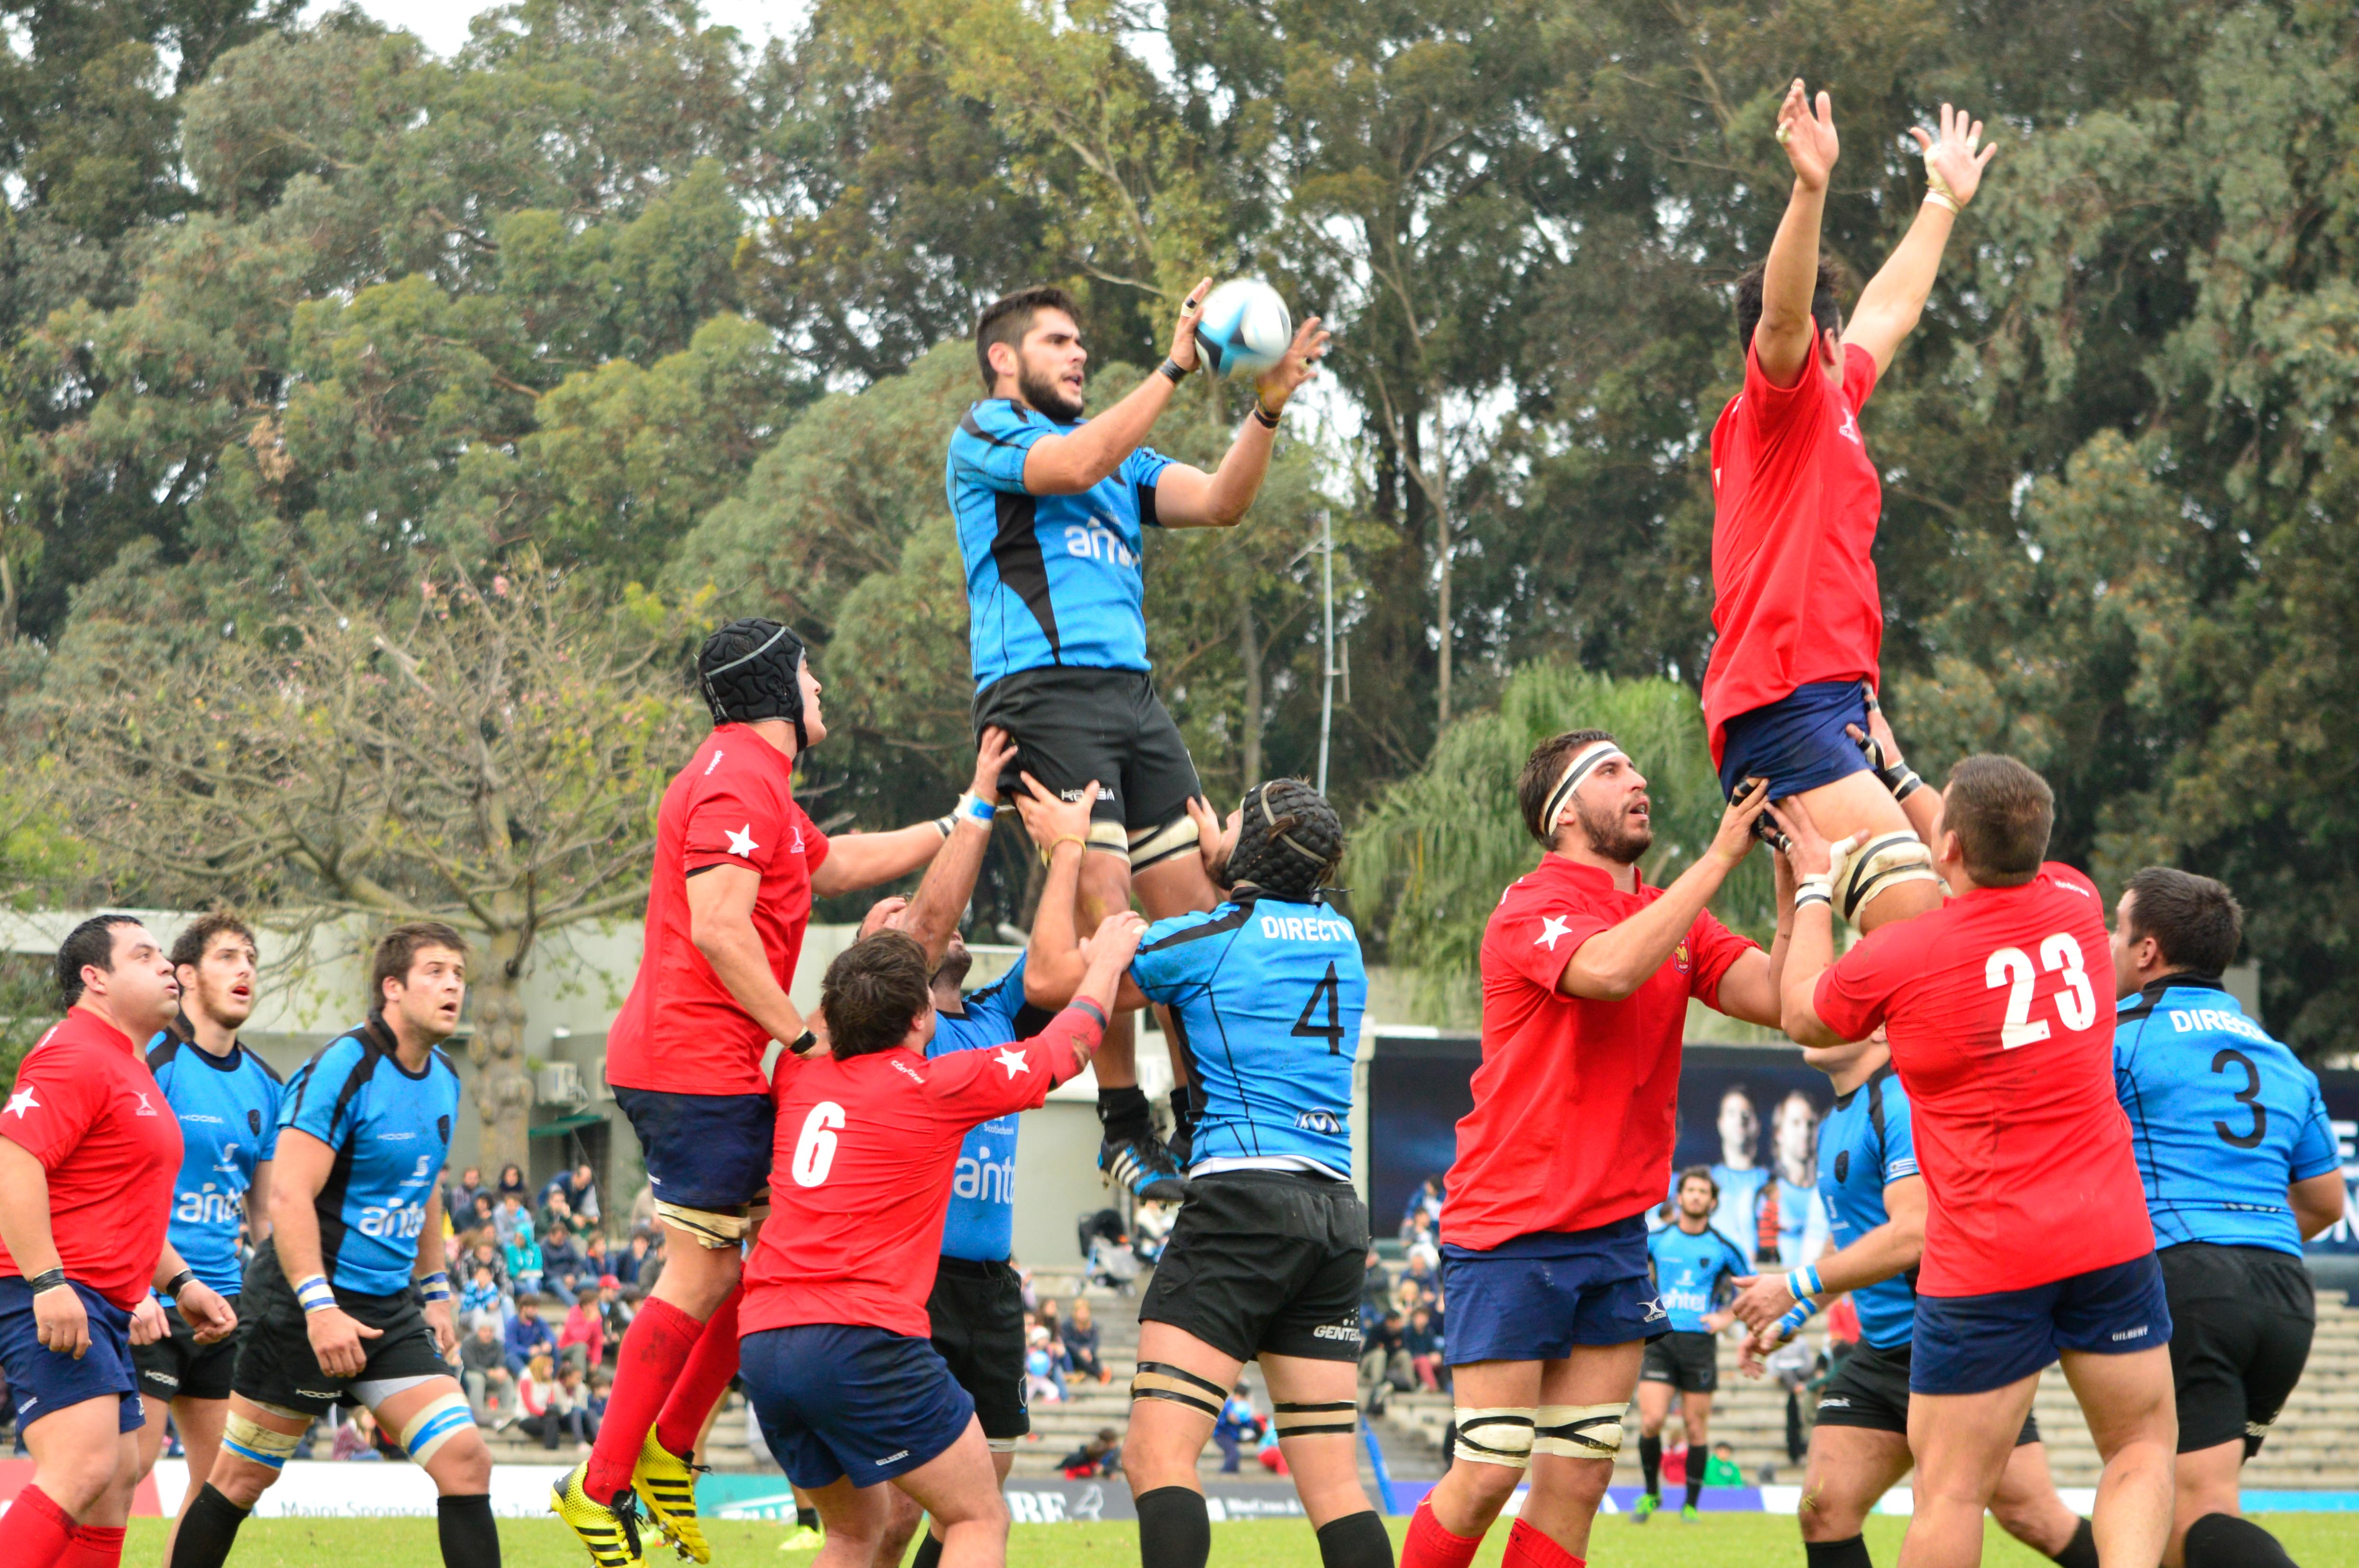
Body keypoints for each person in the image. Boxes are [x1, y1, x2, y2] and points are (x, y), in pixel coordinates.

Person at [561, 617, 961, 1568]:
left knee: (768, 1265)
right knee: (707, 1273)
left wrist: (959, 821)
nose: (820, 687)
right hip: (693, 1062)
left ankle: (663, 1452)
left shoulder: (760, 780)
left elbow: (836, 864)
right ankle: (601, 1486)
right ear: (780, 686)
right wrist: (800, 1030)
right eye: (809, 673)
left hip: (712, 1063)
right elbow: (717, 925)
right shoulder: (736, 776)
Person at [948, 282, 1330, 1200]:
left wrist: (1265, 408)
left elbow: (1219, 502)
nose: (1078, 355)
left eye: (1082, 343)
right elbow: (1075, 464)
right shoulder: (989, 435)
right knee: (1109, 899)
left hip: (1132, 698)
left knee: (1200, 905)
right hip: (1042, 693)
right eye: (1057, 342)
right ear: (1006, 360)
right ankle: (1122, 1121)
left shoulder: (1124, 457)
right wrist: (1173, 366)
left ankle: (1204, 1119)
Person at [1401, 732, 1792, 1568]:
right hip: (1510, 1224)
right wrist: (1718, 859)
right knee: (1488, 1467)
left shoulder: (1670, 912)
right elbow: (1609, 970)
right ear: (1565, 812)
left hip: (1613, 1234)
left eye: (1634, 767)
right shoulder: (1530, 905)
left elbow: (1786, 999)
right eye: (1612, 771)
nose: (1638, 778)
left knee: (1578, 1482)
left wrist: (1793, 873)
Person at [1776, 756, 2174, 1568]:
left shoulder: (1904, 955)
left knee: (1951, 1492)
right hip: (2106, 1232)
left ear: (1946, 846)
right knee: (2137, 1446)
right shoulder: (2072, 898)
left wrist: (1815, 885)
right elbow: (1989, 841)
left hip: (1987, 1256)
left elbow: (1799, 1010)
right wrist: (1897, 773)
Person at [1022, 775, 1393, 1568]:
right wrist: (1232, 852)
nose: (1209, 827)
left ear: (1249, 850)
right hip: (1333, 1214)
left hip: (1242, 1209)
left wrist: (1078, 871)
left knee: (1157, 1456)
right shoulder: (1341, 937)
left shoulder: (1207, 938)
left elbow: (1048, 979)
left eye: (1225, 822)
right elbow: (1260, 906)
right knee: (1333, 1485)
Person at [735, 915, 1142, 1568]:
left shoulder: (796, 1072)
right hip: (860, 1336)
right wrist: (1108, 958)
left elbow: (830, 1010)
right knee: (978, 1515)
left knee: (851, 1533)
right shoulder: (933, 1086)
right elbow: (1064, 1048)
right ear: (922, 1019)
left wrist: (864, 956)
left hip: (765, 1341)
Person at [1704, 82, 2000, 933]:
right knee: (1925, 929)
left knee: (1856, 977)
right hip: (1782, 699)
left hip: (1828, 701)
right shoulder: (1778, 404)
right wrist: (1808, 189)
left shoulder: (1833, 399)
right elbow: (1783, 314)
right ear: (1817, 346)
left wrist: (1941, 198)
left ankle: (1843, 1058)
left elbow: (1892, 308)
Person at [170, 921, 496, 1568]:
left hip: (386, 1308)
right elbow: (287, 1196)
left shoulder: (446, 1076)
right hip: (300, 1304)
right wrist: (319, 1309)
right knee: (241, 1480)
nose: (452, 984)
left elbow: (423, 1186)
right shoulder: (342, 1067)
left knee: (465, 1460)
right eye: (435, 970)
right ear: (392, 988)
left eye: (458, 973)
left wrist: (436, 1294)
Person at [1724, 1032, 2099, 1568]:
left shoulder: (1903, 1101)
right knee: (1822, 1507)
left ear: (1878, 1029)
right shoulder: (1836, 1120)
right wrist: (1797, 1309)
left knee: (2033, 1517)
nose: (1809, 1022)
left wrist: (1792, 1284)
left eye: (1834, 1012)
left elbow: (1911, 1235)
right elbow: (1855, 1239)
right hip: (1881, 1352)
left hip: (1952, 1345)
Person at [2109, 869, 2347, 1568]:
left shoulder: (2119, 1039)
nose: (2108, 944)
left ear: (2147, 949)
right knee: (2182, 1520)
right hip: (2281, 1288)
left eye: (2116, 930)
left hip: (2188, 1280)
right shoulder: (2278, 1055)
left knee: (2193, 1512)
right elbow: (2325, 1202)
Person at [0, 915, 237, 1568]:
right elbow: (13, 1160)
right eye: (144, 954)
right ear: (95, 978)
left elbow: (122, 1207)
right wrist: (48, 1281)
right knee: (85, 1467)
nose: (167, 965)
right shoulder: (75, 1048)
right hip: (51, 1293)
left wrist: (182, 1283)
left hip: (105, 1303)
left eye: (164, 954)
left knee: (113, 1486)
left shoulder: (127, 1063)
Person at [127, 913, 286, 1567]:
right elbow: (115, 1184)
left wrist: (276, 1300)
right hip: (143, 1302)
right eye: (227, 956)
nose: (245, 968)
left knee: (222, 1482)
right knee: (121, 1469)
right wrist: (135, 1285)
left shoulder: (268, 1085)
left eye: (250, 957)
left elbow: (269, 1213)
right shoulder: (151, 1061)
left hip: (222, 1310)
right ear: (185, 974)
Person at [1634, 1169, 1750, 1522]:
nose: (1697, 1196)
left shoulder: (1724, 1247)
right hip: (1661, 1339)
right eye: (1691, 1190)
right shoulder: (1658, 1240)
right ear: (1680, 1197)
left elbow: (1752, 1288)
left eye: (1703, 1191)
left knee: (1696, 1427)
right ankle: (1652, 1494)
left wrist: (1727, 1317)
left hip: (1700, 1344)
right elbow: (1627, 1272)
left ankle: (1690, 1504)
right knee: (1652, 1420)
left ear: (1713, 1202)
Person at [462, 1320, 516, 1426]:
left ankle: (508, 1415)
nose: (488, 1334)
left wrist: (500, 1371)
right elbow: (470, 1365)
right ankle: (478, 1416)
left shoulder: (498, 1344)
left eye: (491, 1331)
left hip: (492, 1376)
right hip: (471, 1375)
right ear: (479, 1332)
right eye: (485, 1331)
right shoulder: (468, 1343)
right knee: (478, 1379)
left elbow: (501, 1363)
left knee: (507, 1380)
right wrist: (488, 1373)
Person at [1212, 1386, 1264, 1474]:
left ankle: (1233, 1472)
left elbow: (1247, 1424)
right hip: (1221, 1435)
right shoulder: (1227, 1406)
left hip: (1233, 1436)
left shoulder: (1243, 1407)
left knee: (1234, 1453)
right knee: (1234, 1453)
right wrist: (1228, 1418)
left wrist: (1250, 1421)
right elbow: (1218, 1422)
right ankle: (1225, 1472)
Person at [1063, 1299, 1107, 1385]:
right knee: (1080, 1358)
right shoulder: (1068, 1325)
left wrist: (1088, 1350)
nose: (1083, 1314)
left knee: (1093, 1359)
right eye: (1081, 1312)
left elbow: (1095, 1342)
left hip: (1087, 1353)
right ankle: (1099, 1373)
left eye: (1085, 1312)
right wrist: (1080, 1350)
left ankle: (1100, 1373)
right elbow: (1067, 1341)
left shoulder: (1093, 1325)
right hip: (1073, 1353)